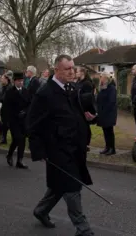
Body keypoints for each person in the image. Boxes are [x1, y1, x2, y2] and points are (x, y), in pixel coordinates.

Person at [27, 54, 95, 236]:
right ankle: (83, 229)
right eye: (67, 69)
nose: (72, 72)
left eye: (73, 68)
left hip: (75, 147)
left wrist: (88, 118)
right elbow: (32, 124)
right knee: (72, 187)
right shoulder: (45, 93)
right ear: (56, 70)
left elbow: (73, 114)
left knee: (60, 185)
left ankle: (41, 210)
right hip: (57, 150)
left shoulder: (71, 88)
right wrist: (39, 151)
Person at [3, 71, 30, 169]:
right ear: (14, 81)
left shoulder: (26, 91)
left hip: (23, 120)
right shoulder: (9, 92)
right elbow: (6, 108)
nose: (21, 83)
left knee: (21, 140)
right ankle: (10, 154)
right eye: (19, 81)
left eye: (22, 81)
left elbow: (30, 104)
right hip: (13, 120)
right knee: (18, 138)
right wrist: (6, 121)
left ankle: (19, 160)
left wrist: (25, 111)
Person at [96, 73, 117, 155]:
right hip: (102, 113)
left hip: (109, 113)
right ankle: (107, 147)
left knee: (109, 131)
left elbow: (111, 101)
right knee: (105, 131)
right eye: (100, 77)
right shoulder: (102, 88)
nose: (101, 79)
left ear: (106, 79)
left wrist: (104, 110)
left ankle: (112, 148)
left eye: (102, 78)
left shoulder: (111, 88)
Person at [0, 73, 12, 145]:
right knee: (5, 125)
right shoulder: (4, 87)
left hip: (8, 110)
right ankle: (4, 139)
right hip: (4, 109)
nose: (1, 80)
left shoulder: (9, 88)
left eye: (2, 79)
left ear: (7, 79)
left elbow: (4, 98)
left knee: (8, 125)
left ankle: (5, 139)